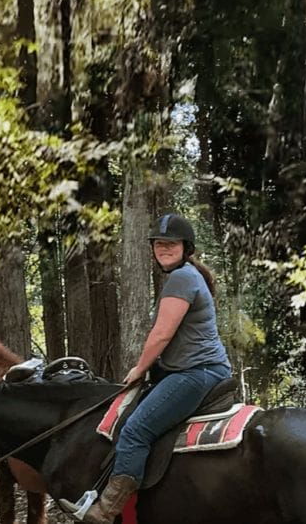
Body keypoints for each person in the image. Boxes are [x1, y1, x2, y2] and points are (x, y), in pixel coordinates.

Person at [83, 213, 233, 524]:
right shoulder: (188, 276)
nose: (163, 249)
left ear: (186, 247)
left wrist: (139, 368)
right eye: (159, 244)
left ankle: (108, 511)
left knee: (137, 430)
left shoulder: (182, 278)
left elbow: (162, 333)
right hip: (196, 370)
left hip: (196, 372)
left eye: (171, 244)